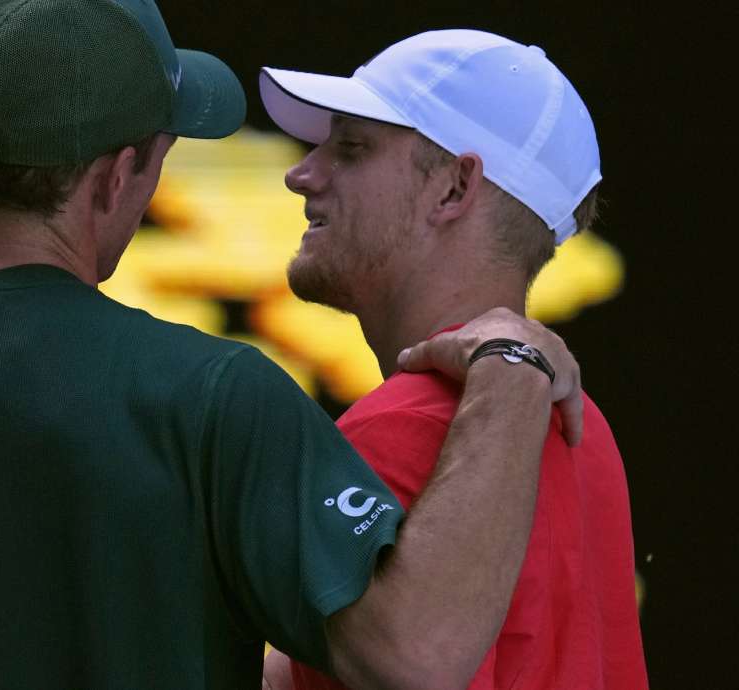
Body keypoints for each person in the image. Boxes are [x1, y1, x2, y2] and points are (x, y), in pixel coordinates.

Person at [0, 4, 584, 689]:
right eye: (162, 153)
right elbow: (418, 656)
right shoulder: (216, 399)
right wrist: (511, 365)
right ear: (114, 176)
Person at [257, 29, 648, 689]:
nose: (302, 173)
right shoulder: (584, 428)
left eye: (350, 147)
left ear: (454, 188)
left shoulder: (400, 425)